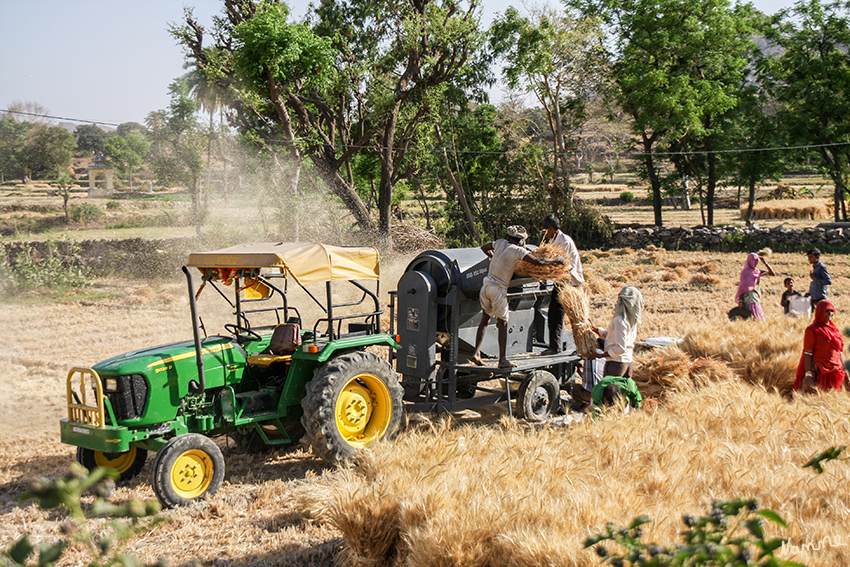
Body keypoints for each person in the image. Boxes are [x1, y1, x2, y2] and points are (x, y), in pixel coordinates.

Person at [472, 225, 565, 368]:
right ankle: (502, 360)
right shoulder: (517, 250)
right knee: (503, 322)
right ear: (521, 241)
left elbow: (483, 248)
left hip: (485, 287)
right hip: (498, 289)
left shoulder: (500, 243)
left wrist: (493, 256)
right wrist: (556, 260)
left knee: (485, 319)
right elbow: (538, 262)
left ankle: (476, 352)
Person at [539, 214, 584, 354]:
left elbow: (560, 263)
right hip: (562, 282)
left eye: (544, 231)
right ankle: (556, 347)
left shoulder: (563, 241)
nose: (544, 234)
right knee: (556, 315)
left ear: (551, 229)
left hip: (569, 283)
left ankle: (579, 346)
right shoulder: (555, 240)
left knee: (571, 317)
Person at [588, 286, 644, 378]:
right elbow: (616, 337)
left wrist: (601, 355)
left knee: (609, 390)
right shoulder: (631, 321)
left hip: (616, 363)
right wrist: (597, 330)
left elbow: (621, 348)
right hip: (627, 362)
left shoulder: (619, 320)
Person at [792, 300, 846, 393]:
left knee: (833, 399)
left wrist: (846, 372)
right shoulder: (813, 330)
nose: (830, 313)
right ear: (820, 312)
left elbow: (839, 352)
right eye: (827, 311)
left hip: (835, 371)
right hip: (819, 371)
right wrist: (808, 375)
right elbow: (808, 353)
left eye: (832, 311)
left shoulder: (835, 330)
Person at [734, 252, 775, 321]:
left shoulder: (758, 272)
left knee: (756, 315)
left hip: (755, 296)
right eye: (753, 260)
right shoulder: (745, 272)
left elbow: (772, 273)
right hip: (746, 298)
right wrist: (741, 300)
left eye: (756, 261)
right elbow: (742, 287)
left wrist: (765, 262)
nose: (755, 262)